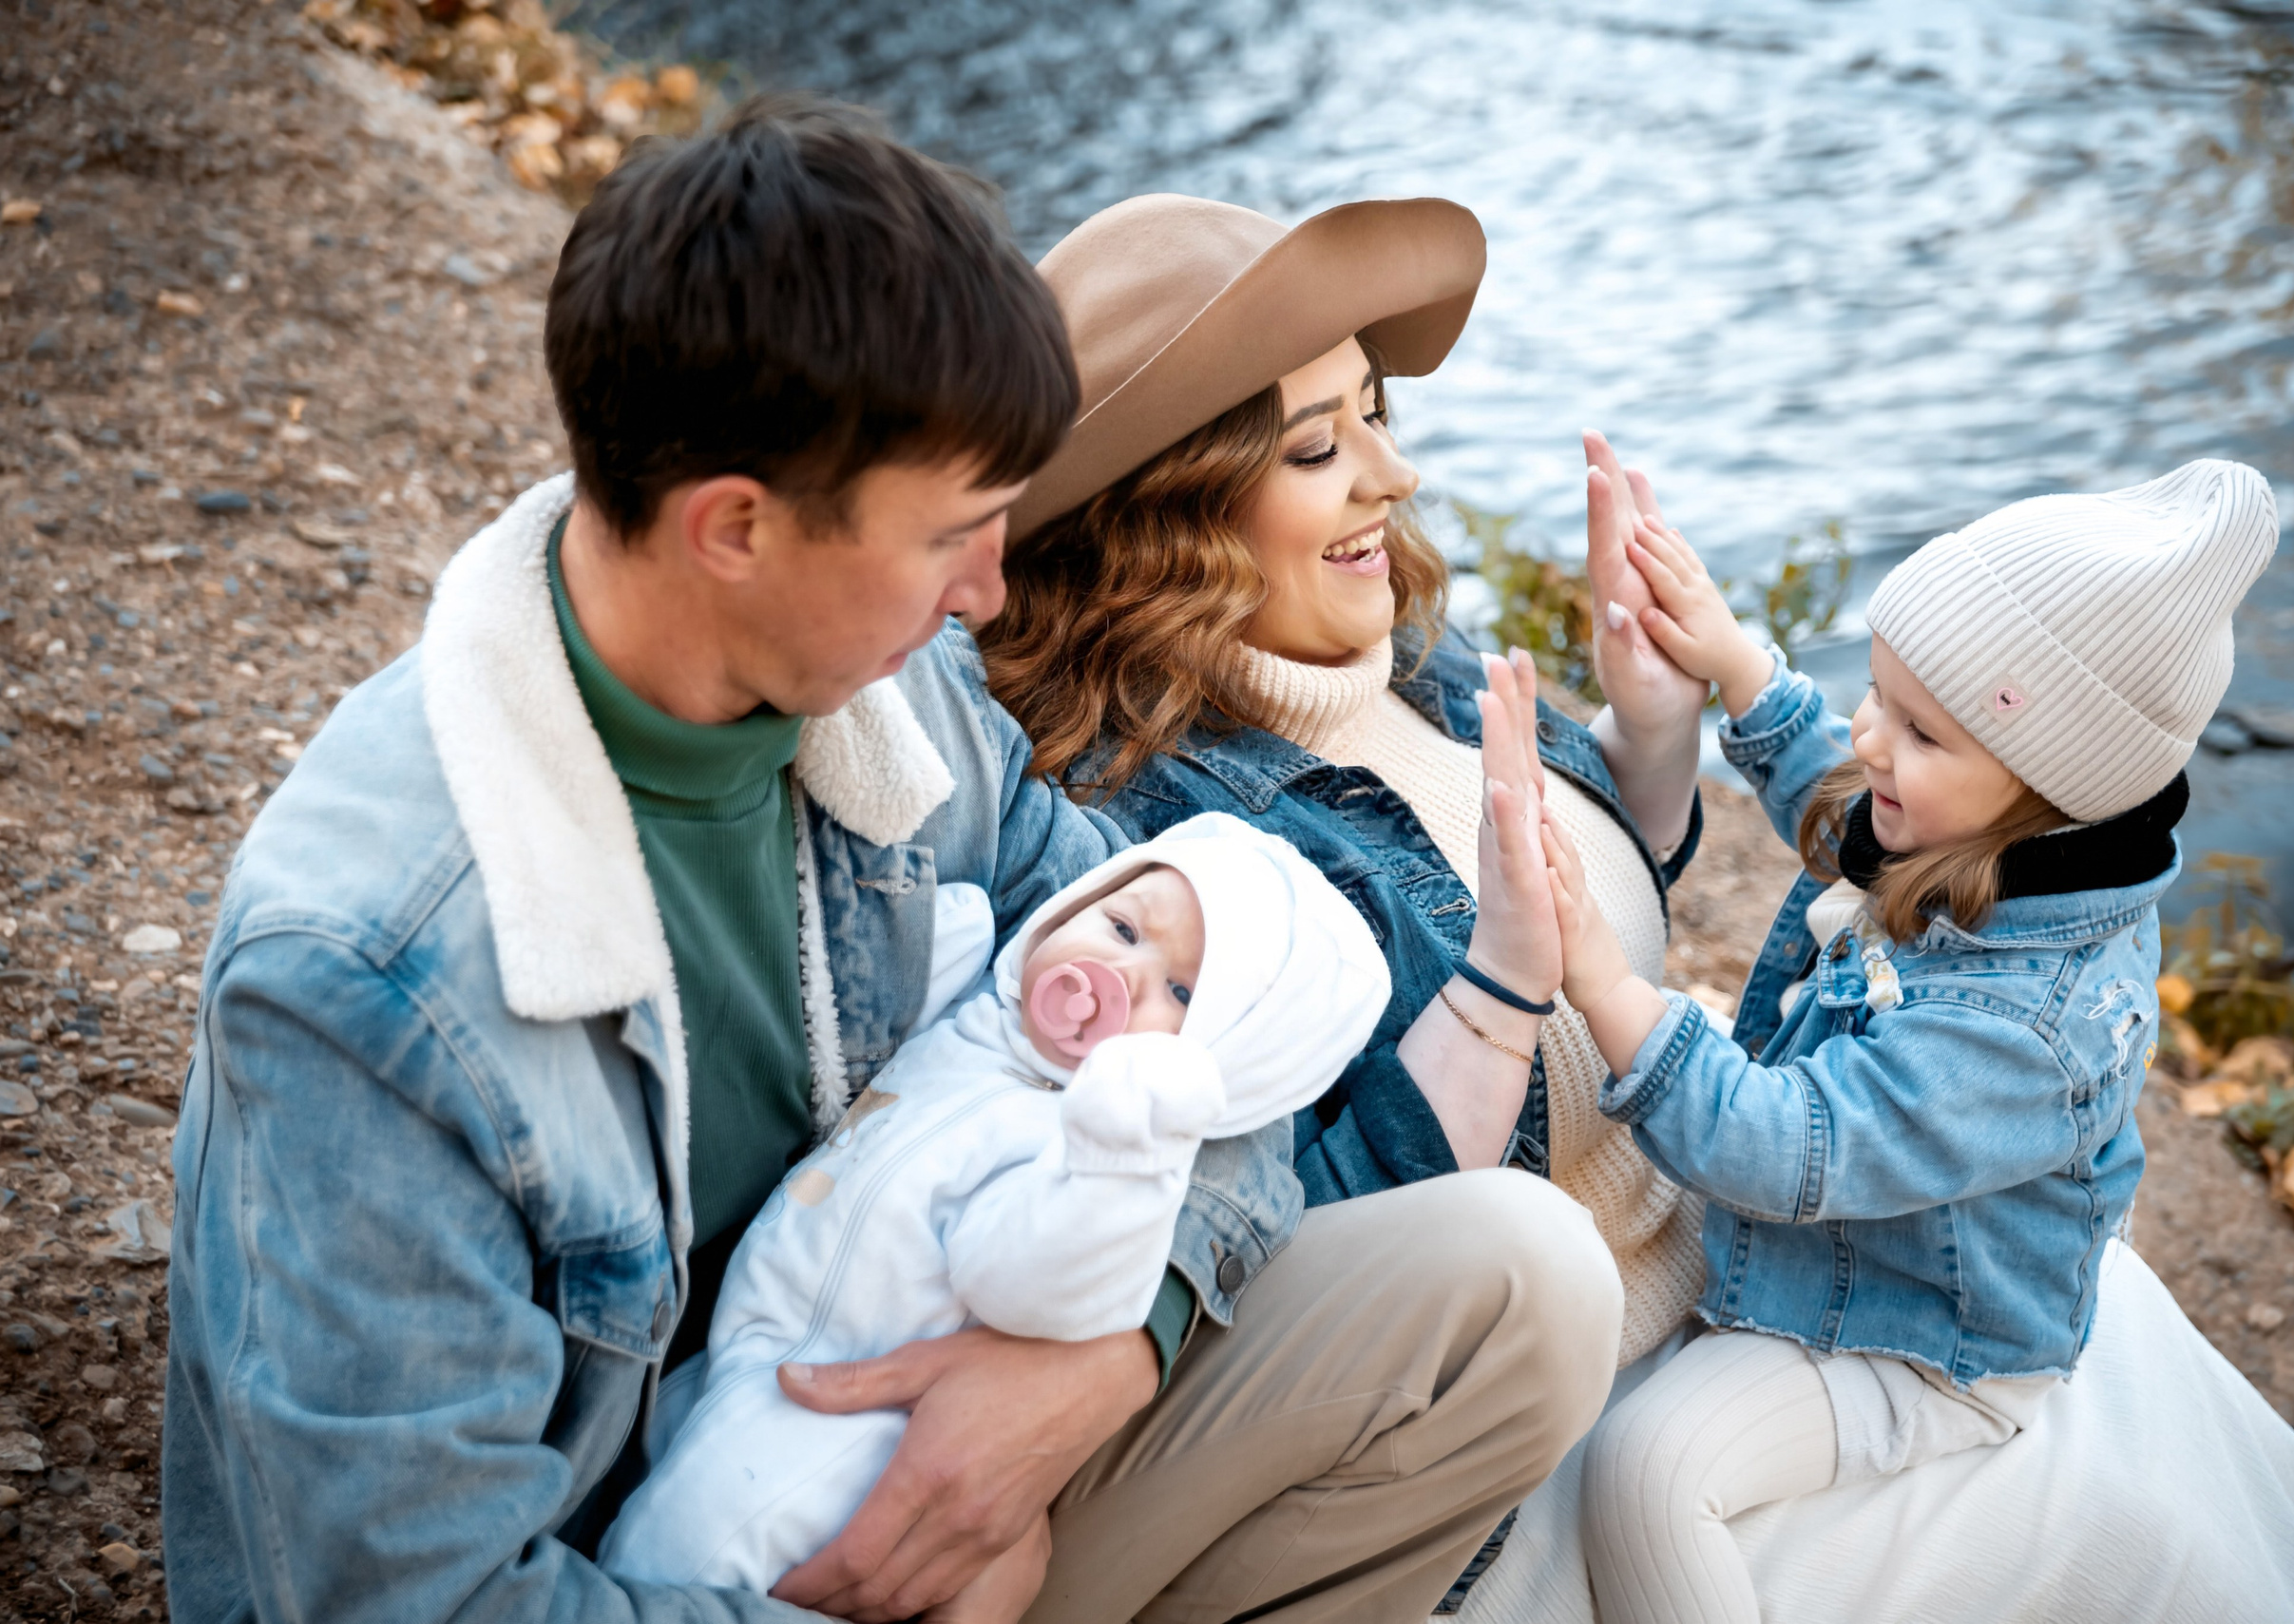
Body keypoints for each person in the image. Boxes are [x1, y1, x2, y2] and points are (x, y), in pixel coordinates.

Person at [162, 101, 1621, 1624]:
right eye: (954, 537)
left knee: (1514, 1281)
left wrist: (1110, 1343)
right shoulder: (366, 983)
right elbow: (417, 1598)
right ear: (735, 530)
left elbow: (1220, 1024)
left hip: (936, 1396)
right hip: (673, 1570)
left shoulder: (896, 693)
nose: (991, 592)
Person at [982, 197, 1715, 1418]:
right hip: (1576, 1419)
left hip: (1727, 1267)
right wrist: (1497, 990)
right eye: (1317, 449)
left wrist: (1649, 731)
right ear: (1171, 517)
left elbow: (1579, 912)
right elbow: (1301, 1251)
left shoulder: (1398, 647)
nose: (1396, 473)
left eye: (1374, 412)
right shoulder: (1158, 849)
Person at [1542, 463, 2278, 1622]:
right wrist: (1734, 661)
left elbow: (1799, 1150)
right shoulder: (1987, 833)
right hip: (1891, 1230)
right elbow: (1848, 805)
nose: (1870, 735)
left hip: (1922, 1332)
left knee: (1648, 1469)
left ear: (2046, 785)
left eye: (1918, 728)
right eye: (1875, 689)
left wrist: (1605, 981)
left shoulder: (2025, 1029)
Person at [600, 816, 1390, 1603]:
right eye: (1121, 926)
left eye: (1182, 993)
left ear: (1227, 1059)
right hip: (746, 1342)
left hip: (862, 1416)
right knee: (611, 1497)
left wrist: (1121, 1153)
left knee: (683, 1545)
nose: (1117, 972)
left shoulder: (1102, 1164)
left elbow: (1023, 1280)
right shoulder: (983, 1020)